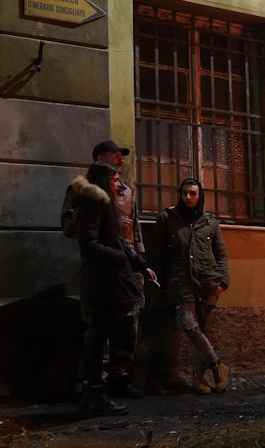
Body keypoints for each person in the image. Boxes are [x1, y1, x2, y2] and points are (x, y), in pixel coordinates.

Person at [74, 162, 154, 415]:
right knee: (97, 341)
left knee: (104, 336)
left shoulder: (104, 205)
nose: (119, 184)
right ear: (104, 181)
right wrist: (120, 259)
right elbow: (89, 244)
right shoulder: (92, 205)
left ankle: (97, 393)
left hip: (109, 283)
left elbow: (118, 240)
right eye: (115, 179)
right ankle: (93, 394)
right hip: (100, 284)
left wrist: (139, 264)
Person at [155, 178, 230, 394]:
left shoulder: (210, 223)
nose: (188, 197)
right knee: (189, 325)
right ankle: (217, 365)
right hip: (180, 283)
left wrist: (222, 282)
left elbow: (221, 256)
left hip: (208, 283)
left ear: (200, 196)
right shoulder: (167, 219)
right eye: (185, 193)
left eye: (193, 193)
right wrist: (161, 283)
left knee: (203, 329)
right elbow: (158, 255)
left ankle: (198, 378)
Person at [91, 140, 148, 399]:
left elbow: (134, 230)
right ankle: (96, 384)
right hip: (102, 267)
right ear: (99, 157)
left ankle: (119, 379)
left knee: (127, 326)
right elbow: (74, 228)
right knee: (99, 326)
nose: (120, 159)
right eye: (115, 155)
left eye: (121, 155)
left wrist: (142, 264)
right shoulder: (87, 191)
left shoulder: (126, 192)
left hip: (128, 267)